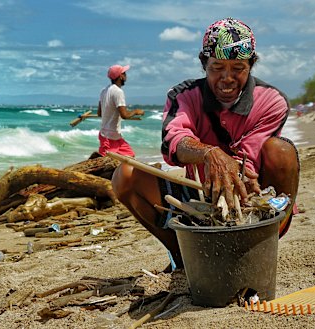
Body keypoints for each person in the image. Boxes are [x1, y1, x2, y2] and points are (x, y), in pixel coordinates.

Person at [111, 17, 299, 269]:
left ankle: (260, 248)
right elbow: (173, 142)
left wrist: (233, 168)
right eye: (217, 67)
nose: (227, 78)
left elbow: (249, 163)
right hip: (200, 199)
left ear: (251, 65)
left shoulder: (272, 101)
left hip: (253, 197)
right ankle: (184, 256)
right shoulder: (184, 96)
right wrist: (209, 153)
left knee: (282, 151)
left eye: (238, 68)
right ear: (204, 64)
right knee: (125, 176)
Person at [97, 64, 145, 157]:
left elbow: (100, 113)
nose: (126, 76)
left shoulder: (104, 91)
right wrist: (136, 112)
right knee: (111, 161)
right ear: (121, 76)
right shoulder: (118, 92)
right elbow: (124, 115)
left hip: (109, 135)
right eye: (124, 73)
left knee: (130, 155)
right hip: (110, 137)